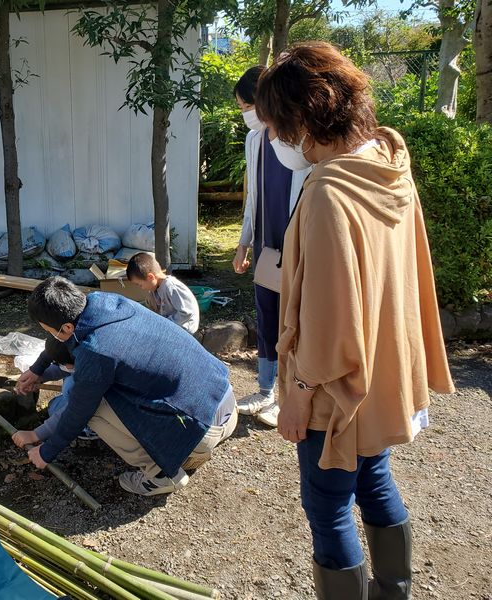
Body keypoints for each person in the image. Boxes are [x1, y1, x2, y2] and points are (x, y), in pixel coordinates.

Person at [254, 42, 454, 599]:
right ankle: (394, 590)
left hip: (334, 385)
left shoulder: (327, 192)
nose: (274, 141)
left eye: (276, 128)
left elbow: (327, 316)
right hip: (382, 363)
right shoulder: (388, 161)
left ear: (304, 118)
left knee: (328, 505)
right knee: (374, 480)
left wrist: (295, 392)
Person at [15, 277, 237, 496]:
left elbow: (78, 410)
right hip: (224, 401)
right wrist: (37, 369)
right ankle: (179, 449)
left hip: (204, 431)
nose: (51, 335)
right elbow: (59, 343)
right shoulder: (106, 304)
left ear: (66, 327)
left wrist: (45, 450)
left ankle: (161, 476)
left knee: (94, 407)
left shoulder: (96, 350)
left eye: (49, 330)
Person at [232, 66, 310, 429]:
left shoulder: (301, 137)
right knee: (266, 315)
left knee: (293, 320)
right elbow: (254, 197)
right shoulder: (255, 140)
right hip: (266, 244)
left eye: (245, 104)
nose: (244, 112)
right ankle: (265, 391)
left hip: (297, 243)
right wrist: (243, 244)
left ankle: (290, 395)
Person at [12, 338, 97, 447]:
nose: (63, 366)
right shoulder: (74, 350)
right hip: (84, 390)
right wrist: (39, 377)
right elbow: (63, 369)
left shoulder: (94, 372)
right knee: (54, 408)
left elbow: (76, 407)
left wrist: (35, 435)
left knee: (70, 388)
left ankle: (91, 427)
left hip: (100, 403)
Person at [125, 252, 199, 334]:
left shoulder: (171, 287)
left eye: (140, 284)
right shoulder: (153, 290)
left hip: (184, 329)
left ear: (151, 277)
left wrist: (165, 325)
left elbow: (186, 312)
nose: (142, 288)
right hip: (169, 326)